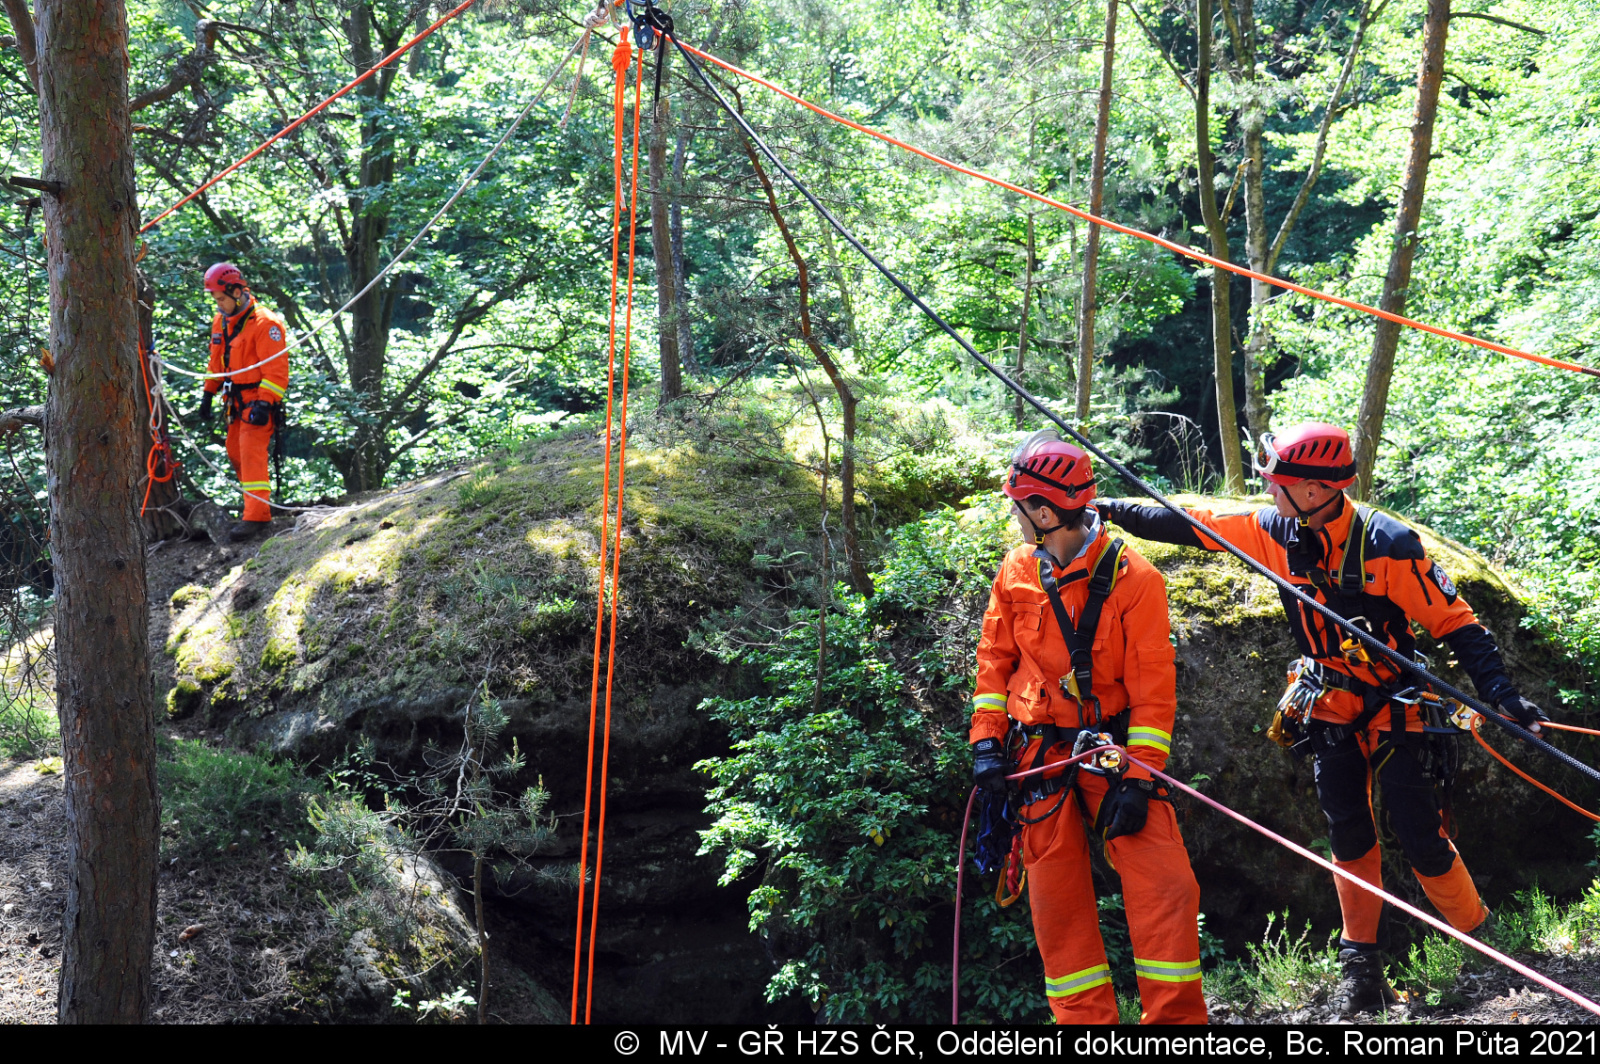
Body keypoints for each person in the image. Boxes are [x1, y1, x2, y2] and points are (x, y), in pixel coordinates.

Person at [1098, 421, 1548, 1016]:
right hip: (1328, 702)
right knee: (1348, 832)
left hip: (1395, 705)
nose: (1267, 491)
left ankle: (1486, 948)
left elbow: (1455, 622)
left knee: (1417, 833)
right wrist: (1104, 506)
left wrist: (1503, 696)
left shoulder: (1389, 544)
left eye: (1277, 482)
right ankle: (1360, 968)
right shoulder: (1274, 529)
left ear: (1315, 489)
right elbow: (1188, 520)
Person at [970, 430, 1206, 1025]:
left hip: (1112, 752)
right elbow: (994, 662)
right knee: (1058, 907)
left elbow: (1154, 691)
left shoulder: (1135, 580)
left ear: (1046, 513)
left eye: (1020, 505)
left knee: (1167, 887)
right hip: (1038, 758)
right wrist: (987, 742)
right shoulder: (1017, 569)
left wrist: (1137, 776)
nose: (1015, 516)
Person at [197, 262, 289, 541]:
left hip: (256, 400)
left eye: (222, 299)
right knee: (235, 452)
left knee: (250, 454)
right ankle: (254, 504)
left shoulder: (266, 324)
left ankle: (257, 517)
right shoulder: (221, 322)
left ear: (237, 292)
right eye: (216, 300)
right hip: (233, 401)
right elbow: (217, 362)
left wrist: (265, 402)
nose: (219, 305)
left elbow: (276, 370)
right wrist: (208, 393)